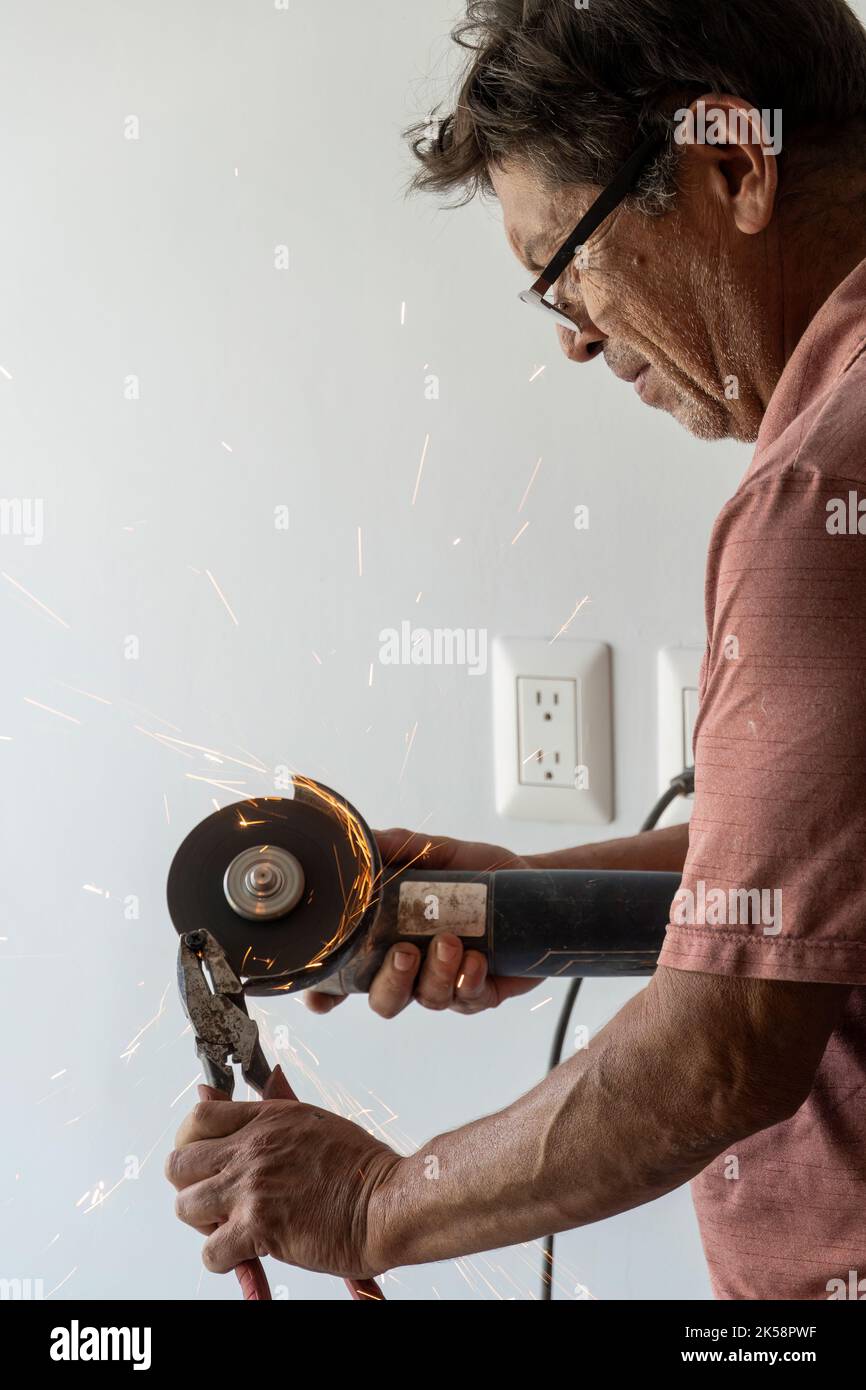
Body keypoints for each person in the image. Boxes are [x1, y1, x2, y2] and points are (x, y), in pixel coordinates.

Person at [167, 0, 866, 1300]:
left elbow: (729, 1044)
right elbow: (808, 891)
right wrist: (527, 898)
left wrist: (373, 1202)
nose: (573, 333)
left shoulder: (820, 498)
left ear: (734, 164)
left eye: (567, 263)